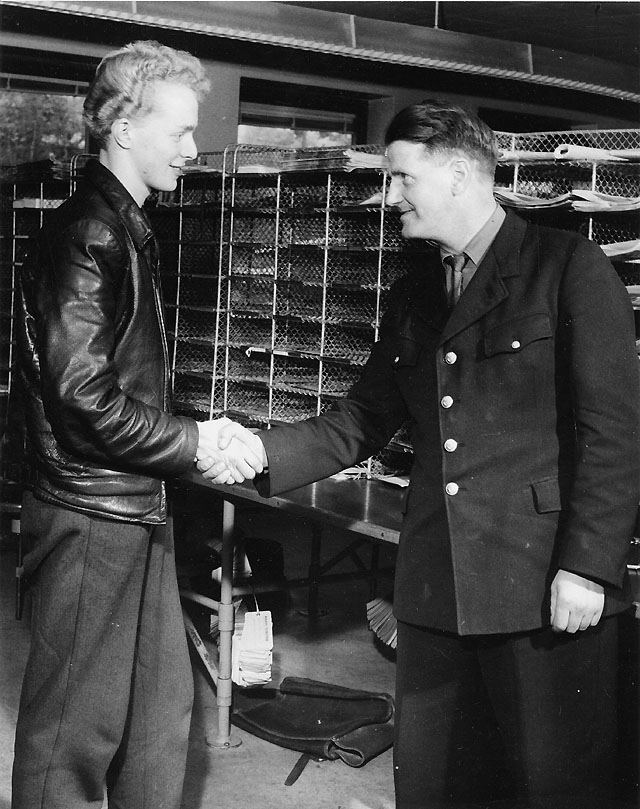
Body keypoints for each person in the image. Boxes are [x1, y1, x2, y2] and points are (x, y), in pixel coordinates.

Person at [209, 101, 640, 808]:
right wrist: (257, 450)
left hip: (540, 586)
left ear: (461, 175)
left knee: (552, 786)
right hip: (437, 586)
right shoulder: (417, 288)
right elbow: (361, 418)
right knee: (435, 786)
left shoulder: (568, 267)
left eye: (403, 177)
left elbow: (614, 432)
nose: (390, 196)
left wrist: (587, 567)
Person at [11, 40, 262, 809]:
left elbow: (118, 383)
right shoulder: (91, 234)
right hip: (91, 511)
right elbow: (82, 398)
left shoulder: (127, 226)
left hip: (133, 500)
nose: (191, 147)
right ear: (123, 129)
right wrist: (194, 443)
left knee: (158, 712)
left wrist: (193, 436)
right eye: (179, 130)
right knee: (72, 732)